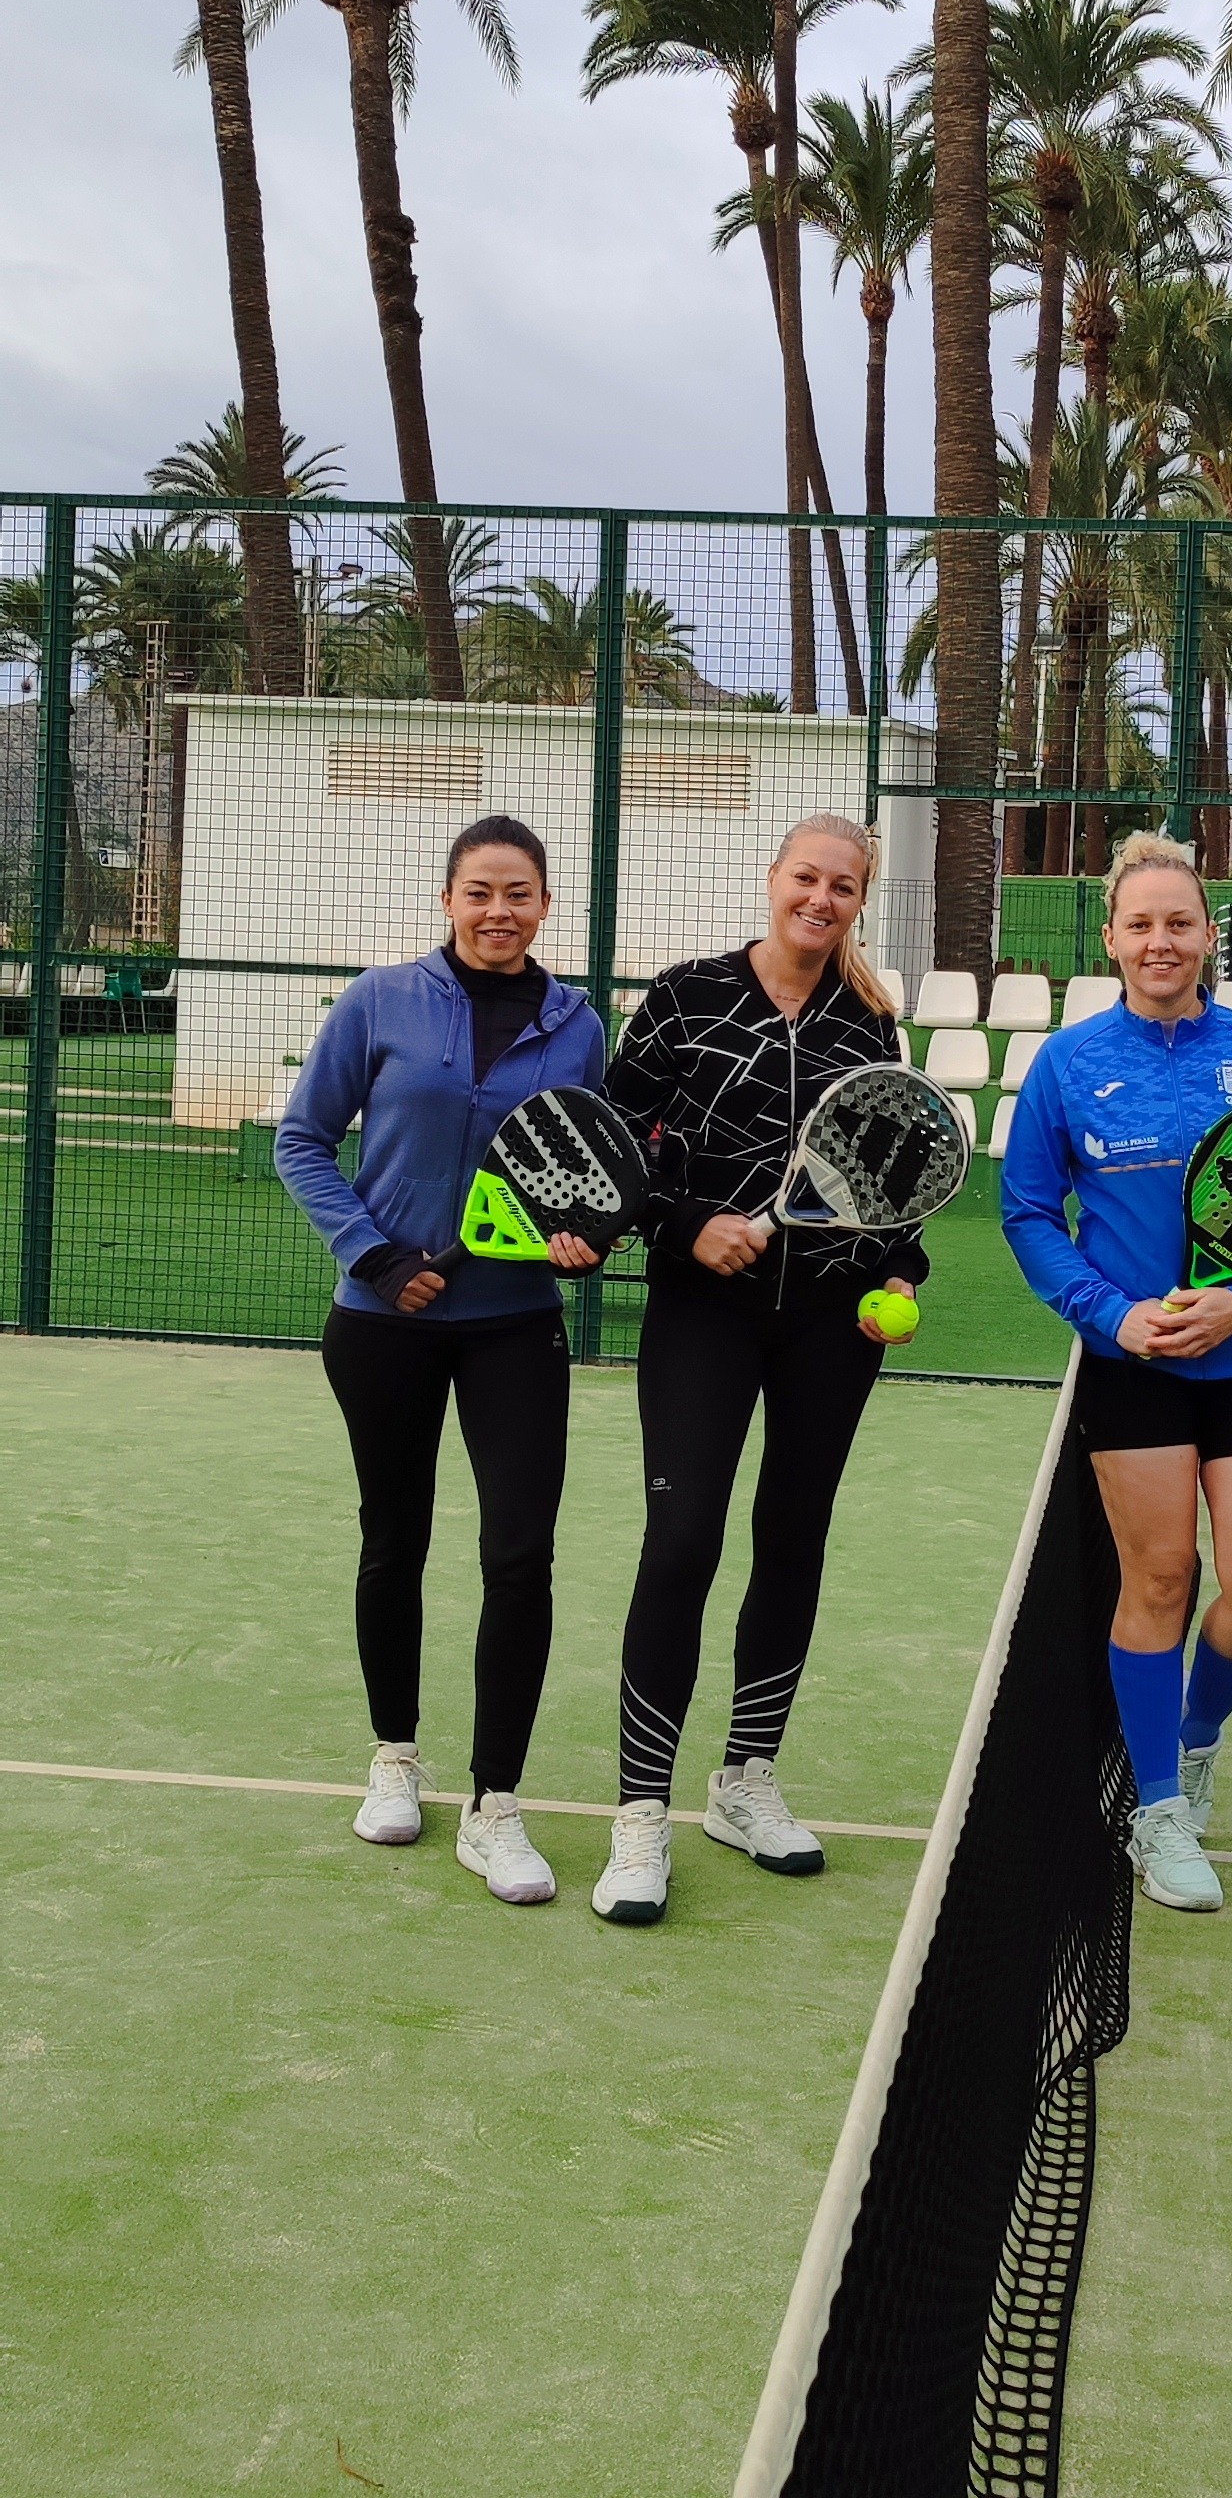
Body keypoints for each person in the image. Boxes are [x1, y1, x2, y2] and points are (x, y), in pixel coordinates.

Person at [591, 813, 925, 1930]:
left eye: (843, 887)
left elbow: (890, 1171)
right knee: (683, 1542)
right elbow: (613, 1147)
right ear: (773, 879)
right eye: (806, 878)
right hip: (704, 1317)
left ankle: (744, 1781)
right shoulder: (686, 997)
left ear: (859, 902)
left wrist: (902, 1271)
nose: (821, 900)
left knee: (792, 1538)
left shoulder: (870, 1023)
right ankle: (642, 1814)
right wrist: (687, 1223)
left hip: (833, 1325)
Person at [276, 815, 609, 1907]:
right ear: (448, 899)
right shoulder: (379, 1000)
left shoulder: (578, 1026)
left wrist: (583, 1238)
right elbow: (302, 1139)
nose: (498, 911)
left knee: (520, 1557)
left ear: (545, 904)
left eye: (519, 893)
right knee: (395, 1539)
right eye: (479, 891)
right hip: (381, 1325)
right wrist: (371, 1254)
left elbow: (584, 1168)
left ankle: (494, 1806)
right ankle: (395, 1757)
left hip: (515, 1325)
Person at [1000, 833, 1232, 1914]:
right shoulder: (1068, 1062)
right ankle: (1160, 1808)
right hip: (1131, 1363)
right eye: (1141, 924)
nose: (1160, 940)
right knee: (1163, 1579)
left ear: (1209, 934)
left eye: (1179, 922)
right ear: (1111, 939)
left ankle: (1194, 1732)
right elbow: (1028, 1214)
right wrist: (1114, 1317)